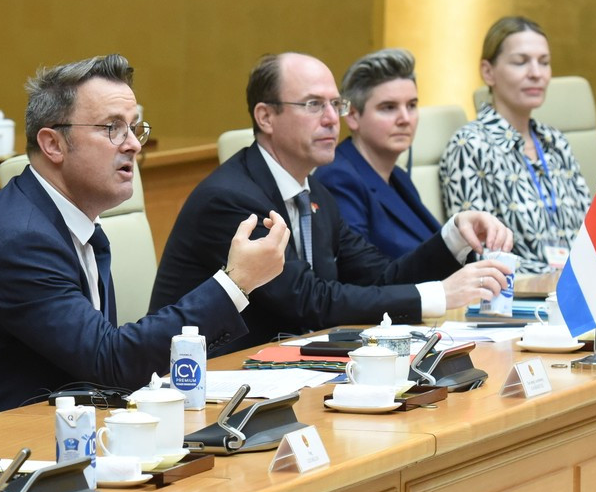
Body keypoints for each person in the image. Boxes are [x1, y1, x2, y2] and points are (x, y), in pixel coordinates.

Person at [0, 55, 289, 419]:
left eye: (134, 127)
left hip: (52, 429)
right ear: (52, 144)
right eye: (112, 128)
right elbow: (111, 362)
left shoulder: (69, 222)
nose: (133, 144)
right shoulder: (20, 241)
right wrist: (235, 283)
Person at [149, 53, 516, 352]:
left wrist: (454, 236)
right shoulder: (232, 199)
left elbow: (382, 278)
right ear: (266, 117)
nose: (331, 120)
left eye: (334, 104)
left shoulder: (315, 193)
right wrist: (439, 294)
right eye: (313, 105)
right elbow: (309, 301)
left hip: (288, 372)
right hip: (202, 381)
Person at [438, 18, 595, 271]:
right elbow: (479, 255)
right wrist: (561, 276)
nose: (536, 73)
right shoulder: (470, 146)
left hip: (576, 285)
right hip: (520, 291)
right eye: (521, 62)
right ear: (488, 72)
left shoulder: (555, 141)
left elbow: (593, 233)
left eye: (544, 62)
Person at [312, 48, 445, 260]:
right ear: (352, 116)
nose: (405, 119)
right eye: (389, 107)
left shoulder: (398, 176)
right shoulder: (338, 178)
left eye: (411, 105)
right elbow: (360, 270)